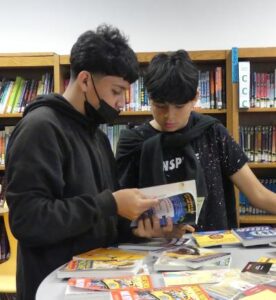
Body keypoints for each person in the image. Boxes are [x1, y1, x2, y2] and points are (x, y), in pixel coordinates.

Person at [5, 25, 173, 300]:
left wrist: (141, 228)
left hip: (96, 283)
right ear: (85, 81)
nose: (122, 102)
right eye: (117, 91)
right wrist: (112, 203)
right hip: (54, 288)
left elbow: (101, 218)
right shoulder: (40, 128)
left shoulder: (97, 136)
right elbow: (28, 220)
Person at [116, 49, 276, 232]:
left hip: (213, 248)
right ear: (150, 99)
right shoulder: (133, 142)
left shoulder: (212, 133)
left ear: (195, 98)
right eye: (160, 106)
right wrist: (146, 233)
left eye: (179, 106)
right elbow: (120, 215)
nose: (170, 116)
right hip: (152, 253)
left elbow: (257, 194)